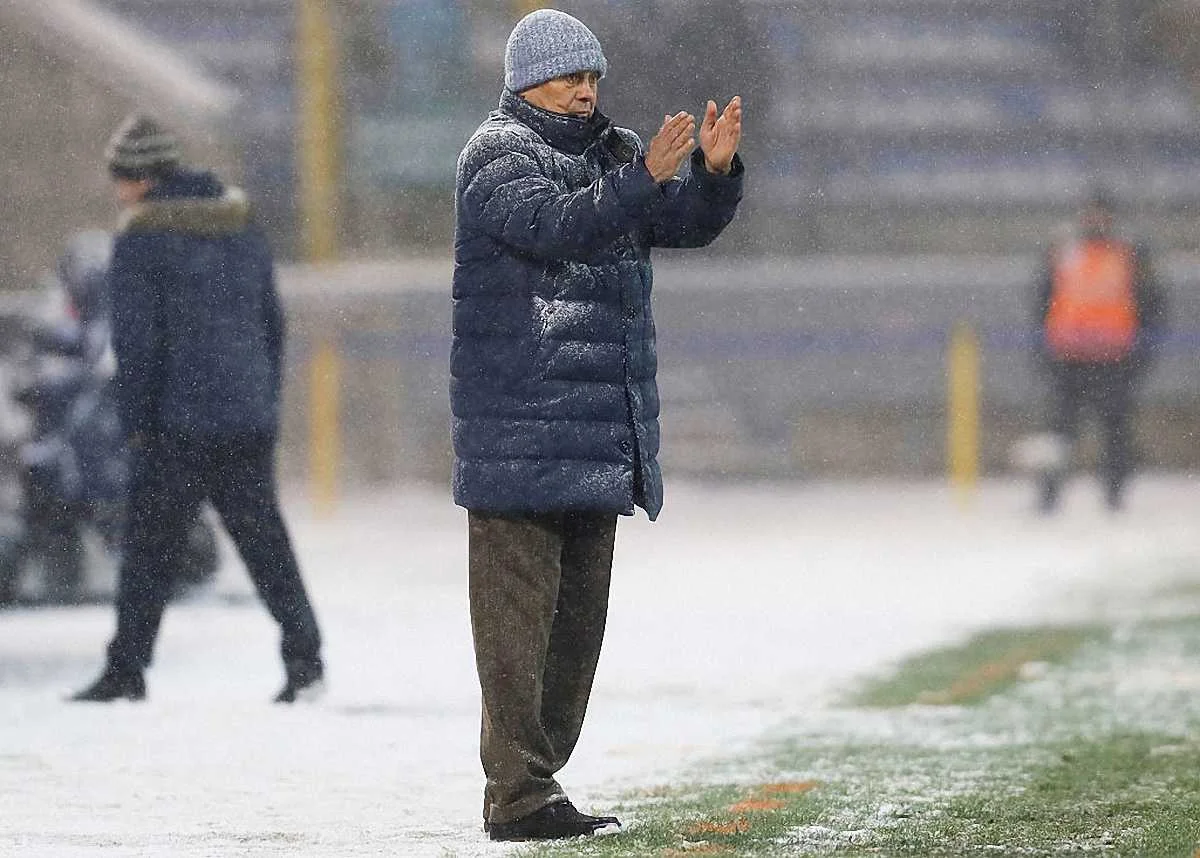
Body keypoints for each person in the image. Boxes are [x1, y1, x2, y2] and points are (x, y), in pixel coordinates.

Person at [451, 8, 744, 842]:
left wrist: (713, 174)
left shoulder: (616, 155)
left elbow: (678, 223)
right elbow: (560, 228)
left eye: (592, 77)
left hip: (597, 435)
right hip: (519, 434)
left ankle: (535, 784)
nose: (585, 91)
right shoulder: (496, 155)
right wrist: (642, 179)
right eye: (569, 77)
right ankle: (518, 794)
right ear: (524, 83)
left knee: (574, 636)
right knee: (516, 637)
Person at [70, 114, 324, 704]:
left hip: (174, 424)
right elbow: (272, 322)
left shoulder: (141, 236)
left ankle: (126, 670)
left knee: (148, 551)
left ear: (141, 177)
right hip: (245, 418)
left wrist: (136, 425)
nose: (118, 191)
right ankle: (306, 658)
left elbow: (137, 343)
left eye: (120, 179)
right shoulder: (240, 222)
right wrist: (264, 402)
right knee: (265, 544)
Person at [1033, 189, 1167, 512]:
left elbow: (1153, 303)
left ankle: (1114, 492)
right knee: (1059, 430)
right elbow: (1042, 300)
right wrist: (1044, 349)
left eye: (1101, 213)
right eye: (1090, 212)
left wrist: (1141, 353)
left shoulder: (1129, 252)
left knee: (1116, 429)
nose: (1095, 220)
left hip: (1114, 357)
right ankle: (1049, 494)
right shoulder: (1064, 250)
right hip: (1069, 357)